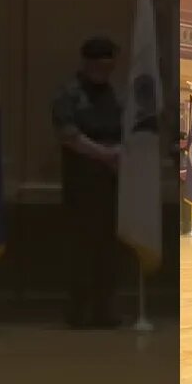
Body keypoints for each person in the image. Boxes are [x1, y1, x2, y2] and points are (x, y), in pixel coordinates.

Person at [51, 35, 124, 329]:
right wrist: (105, 154)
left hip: (111, 182)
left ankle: (105, 309)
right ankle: (79, 311)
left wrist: (120, 155)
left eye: (110, 67)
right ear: (87, 63)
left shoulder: (114, 94)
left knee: (108, 249)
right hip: (82, 182)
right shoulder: (69, 94)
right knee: (81, 248)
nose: (105, 73)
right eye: (101, 66)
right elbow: (68, 134)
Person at [178, 130, 190, 234]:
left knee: (186, 206)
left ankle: (187, 228)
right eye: (181, 141)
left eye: (185, 141)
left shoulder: (188, 153)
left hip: (186, 183)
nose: (183, 143)